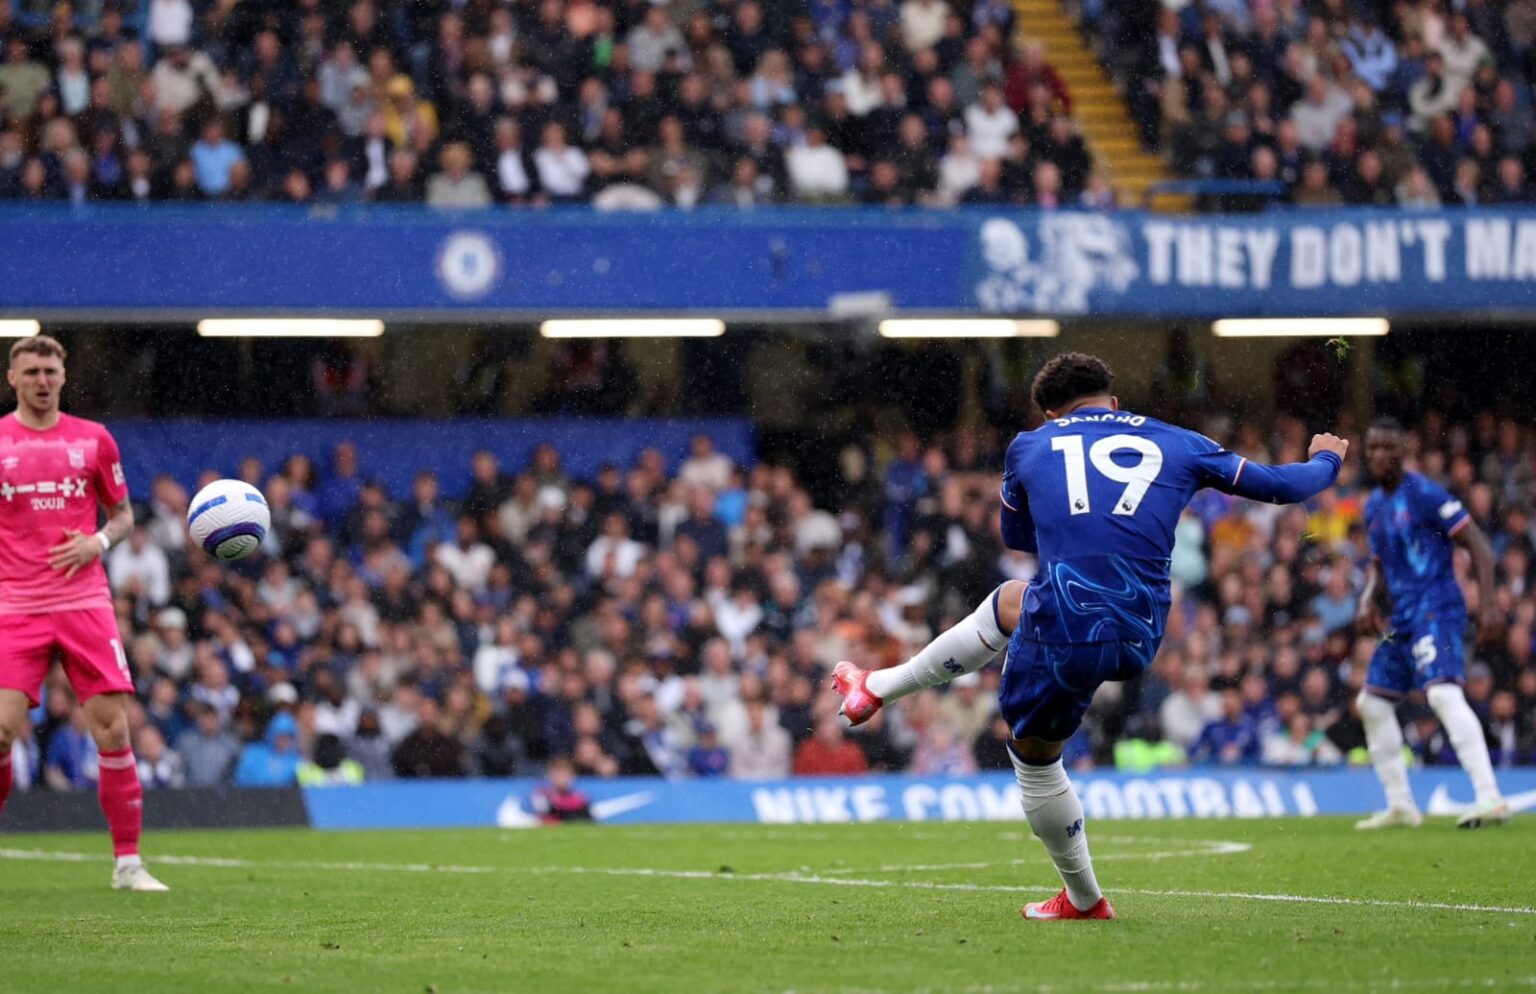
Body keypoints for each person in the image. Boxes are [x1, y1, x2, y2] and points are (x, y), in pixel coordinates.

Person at [835, 352, 1345, 921]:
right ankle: (877, 685)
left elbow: (1016, 535)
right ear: (1115, 402)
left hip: (1067, 625)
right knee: (1010, 603)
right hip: (1142, 628)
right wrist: (1326, 459)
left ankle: (1083, 898)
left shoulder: (1031, 445)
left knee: (1033, 758)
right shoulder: (1179, 440)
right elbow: (1281, 485)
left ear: (1051, 411)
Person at [0, 336, 168, 892]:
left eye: (50, 370)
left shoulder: (93, 440)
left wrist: (96, 542)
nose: (42, 380)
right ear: (13, 379)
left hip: (83, 600)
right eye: (32, 371)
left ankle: (128, 863)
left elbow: (122, 516)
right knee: (1, 733)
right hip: (16, 602)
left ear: (63, 377)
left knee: (114, 729)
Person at [1353, 419, 1510, 830]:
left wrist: (1489, 603)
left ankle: (1489, 795)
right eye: (1372, 449)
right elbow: (1379, 567)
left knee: (1441, 694)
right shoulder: (1373, 506)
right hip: (1402, 617)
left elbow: (1475, 540)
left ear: (1403, 450)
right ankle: (1401, 804)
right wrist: (1369, 597)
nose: (1379, 456)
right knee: (1371, 703)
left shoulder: (1423, 493)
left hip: (1437, 608)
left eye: (1387, 447)